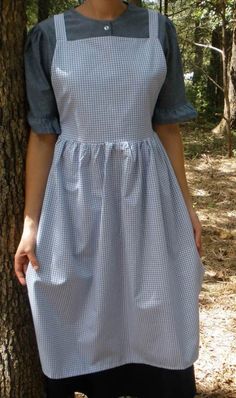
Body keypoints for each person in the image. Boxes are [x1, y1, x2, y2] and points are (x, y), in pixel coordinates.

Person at [14, 1, 205, 397]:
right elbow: (43, 135)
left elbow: (168, 128)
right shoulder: (50, 36)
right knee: (69, 291)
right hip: (75, 196)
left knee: (157, 297)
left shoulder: (158, 30)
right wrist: (31, 225)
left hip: (149, 193)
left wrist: (187, 207)